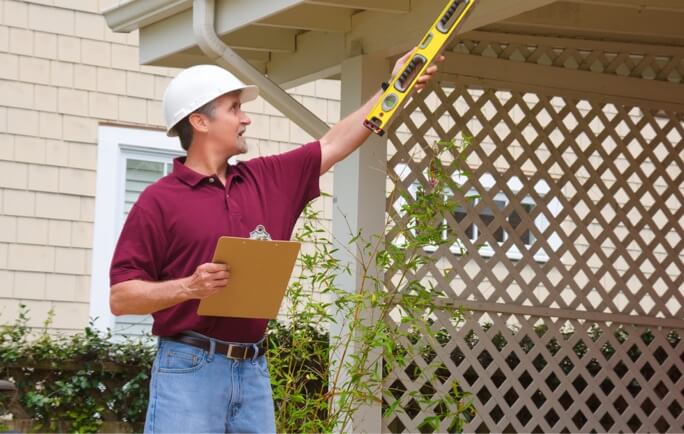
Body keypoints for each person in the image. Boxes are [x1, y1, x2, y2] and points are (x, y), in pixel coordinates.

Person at [108, 48, 444, 433]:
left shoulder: (267, 179)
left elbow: (335, 143)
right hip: (188, 369)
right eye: (235, 108)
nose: (246, 118)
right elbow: (122, 297)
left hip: (253, 369)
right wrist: (190, 286)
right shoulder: (160, 200)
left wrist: (394, 88)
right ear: (200, 120)